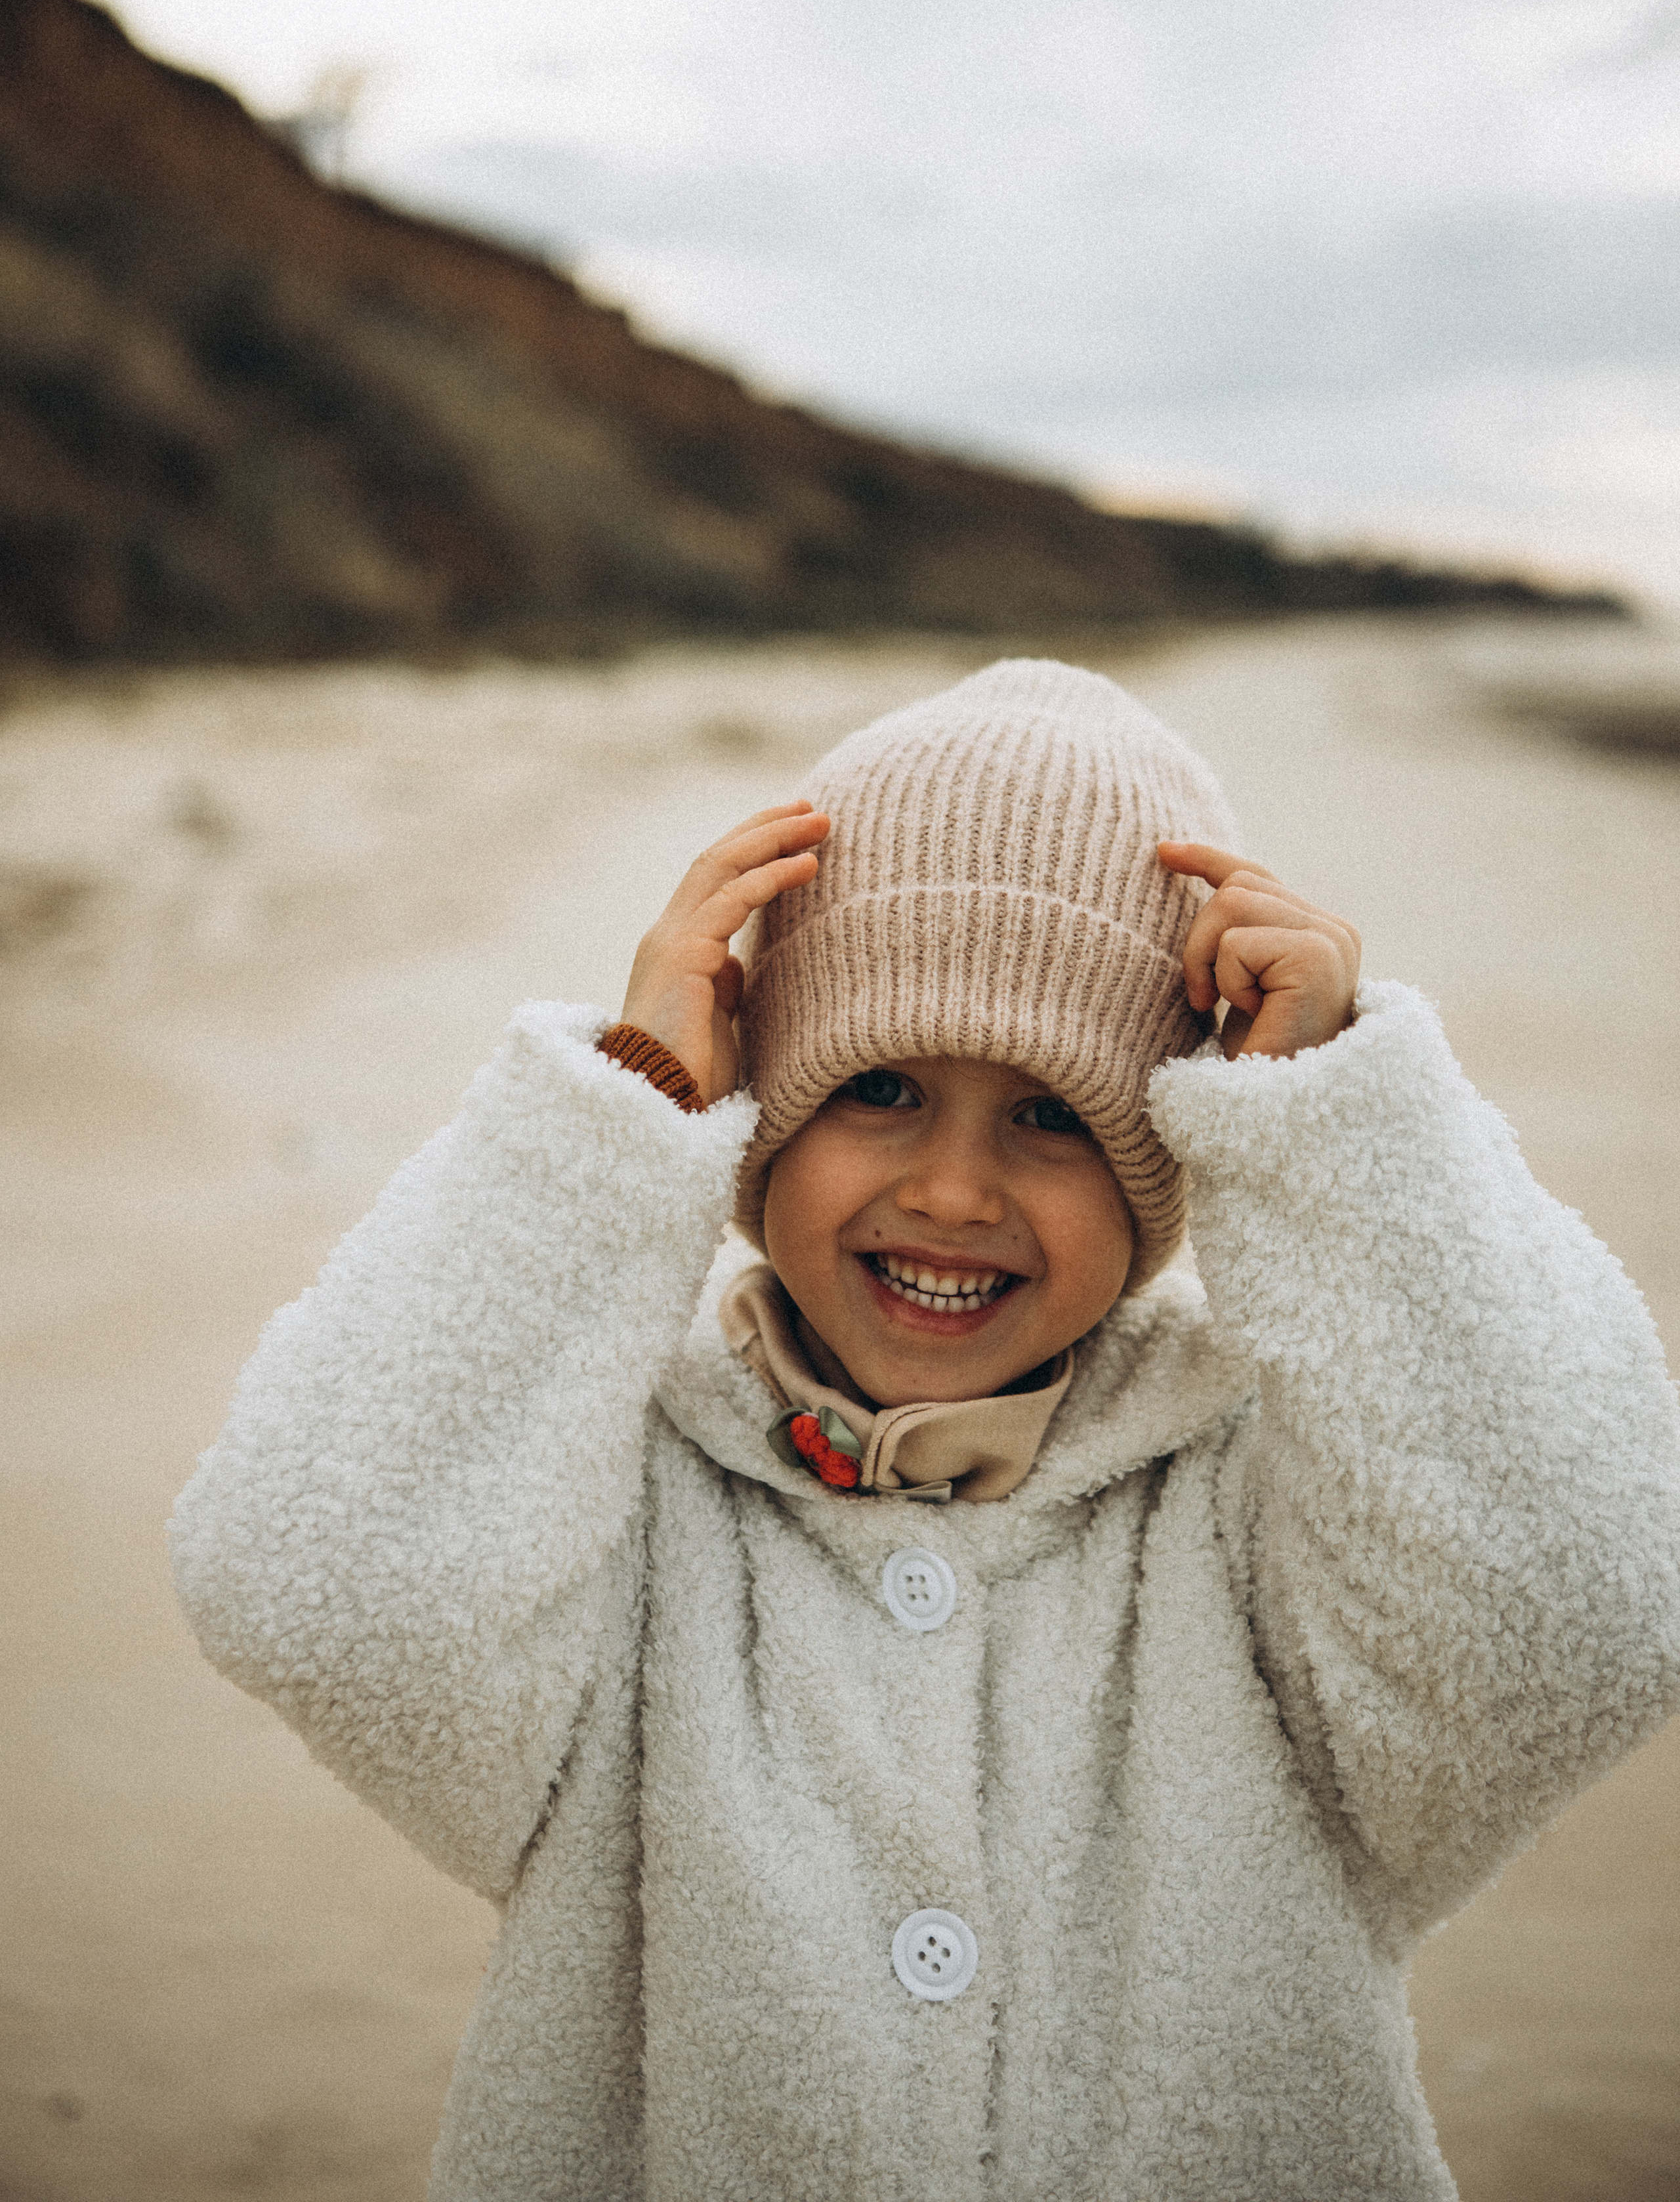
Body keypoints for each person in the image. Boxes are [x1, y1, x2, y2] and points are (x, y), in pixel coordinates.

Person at [171, 659, 1680, 2202]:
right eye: (876, 1087)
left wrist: (1342, 1137)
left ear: (1174, 1153)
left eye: (1050, 1116)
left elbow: (1578, 1615)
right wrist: (609, 1121)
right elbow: (315, 1589)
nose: (953, 1191)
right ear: (756, 1114)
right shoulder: (600, 1503)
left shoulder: (1270, 1512)